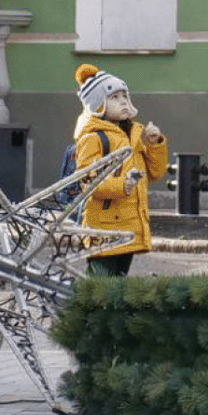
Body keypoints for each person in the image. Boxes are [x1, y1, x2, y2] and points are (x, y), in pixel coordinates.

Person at [72, 63, 168, 277]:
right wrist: (122, 186)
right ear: (99, 105)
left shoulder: (135, 134)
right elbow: (88, 181)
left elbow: (155, 172)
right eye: (114, 97)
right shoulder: (93, 137)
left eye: (125, 96)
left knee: (117, 283)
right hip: (103, 227)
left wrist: (154, 144)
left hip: (129, 224)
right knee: (100, 283)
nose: (123, 101)